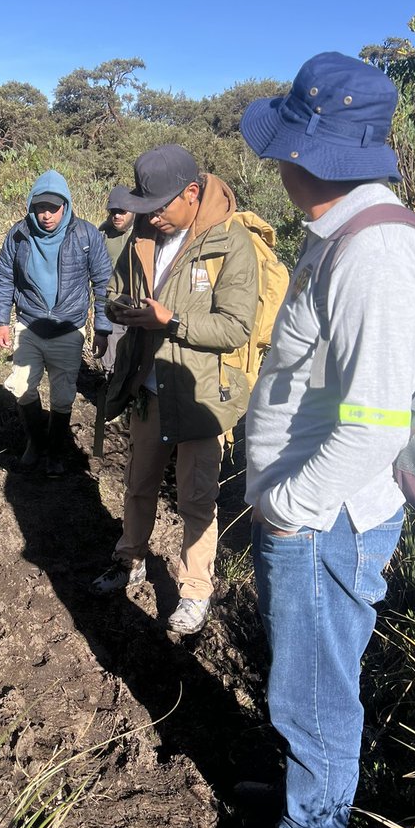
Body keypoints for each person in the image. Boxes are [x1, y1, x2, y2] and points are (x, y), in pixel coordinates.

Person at [235, 52, 415, 828]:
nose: (273, 160)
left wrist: (289, 508)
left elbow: (373, 425)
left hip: (328, 520)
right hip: (315, 513)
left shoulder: (377, 258)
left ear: (313, 154)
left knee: (316, 685)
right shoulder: (350, 240)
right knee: (305, 672)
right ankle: (303, 793)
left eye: (284, 142)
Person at [91, 145, 258, 633]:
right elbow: (117, 290)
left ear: (191, 193)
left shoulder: (230, 243)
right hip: (147, 389)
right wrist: (122, 310)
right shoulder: (144, 235)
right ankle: (129, 561)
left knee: (196, 498)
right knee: (138, 486)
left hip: (201, 396)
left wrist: (173, 320)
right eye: (146, 208)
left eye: (160, 207)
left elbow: (235, 328)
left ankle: (195, 591)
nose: (153, 218)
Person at [0, 169, 112, 476]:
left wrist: (101, 327)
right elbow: (5, 277)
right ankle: (36, 441)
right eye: (39, 207)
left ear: (66, 205)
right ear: (31, 206)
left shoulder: (86, 235)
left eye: (53, 208)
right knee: (21, 387)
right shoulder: (18, 234)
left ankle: (56, 449)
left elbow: (102, 283)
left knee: (62, 394)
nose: (46, 215)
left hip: (68, 327)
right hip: (29, 325)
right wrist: (1, 320)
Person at [97, 185, 135, 373]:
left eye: (122, 211)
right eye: (113, 211)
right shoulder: (104, 232)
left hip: (138, 305)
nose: (117, 216)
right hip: (112, 305)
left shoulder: (145, 232)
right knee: (111, 362)